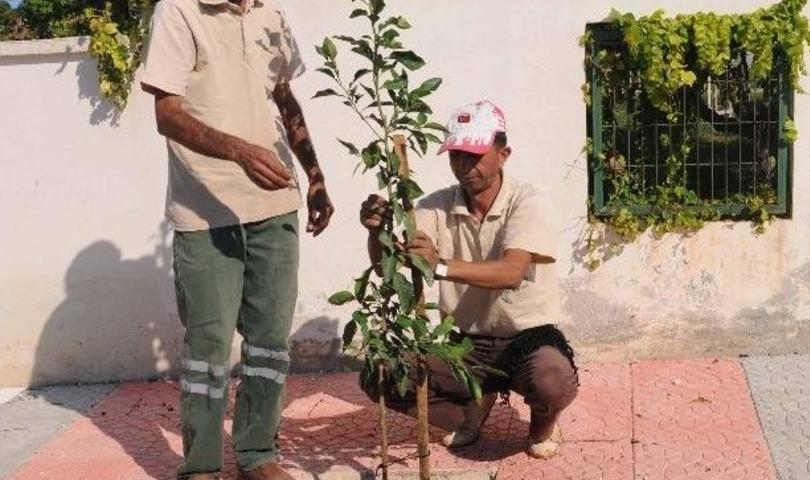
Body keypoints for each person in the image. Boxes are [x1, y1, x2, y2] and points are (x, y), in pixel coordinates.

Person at [140, 0, 334, 478]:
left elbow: (285, 98)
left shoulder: (271, 13)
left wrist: (314, 175)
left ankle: (257, 453)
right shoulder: (179, 10)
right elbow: (167, 113)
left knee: (270, 342)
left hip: (275, 205)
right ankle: (202, 465)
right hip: (204, 213)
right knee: (208, 348)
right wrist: (238, 152)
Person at [358, 100, 578, 458]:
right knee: (380, 374)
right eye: (456, 154)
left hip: (527, 339)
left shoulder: (527, 200)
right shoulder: (434, 206)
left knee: (552, 383)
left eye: (474, 155)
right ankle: (469, 412)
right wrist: (376, 233)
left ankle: (542, 428)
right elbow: (388, 269)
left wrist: (440, 265)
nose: (463, 164)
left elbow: (511, 272)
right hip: (465, 345)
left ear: (503, 155)